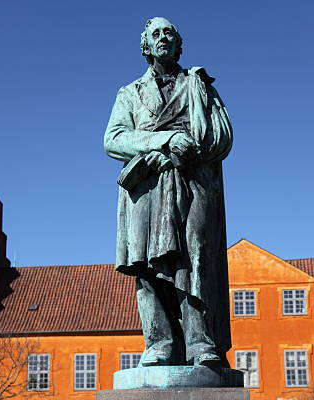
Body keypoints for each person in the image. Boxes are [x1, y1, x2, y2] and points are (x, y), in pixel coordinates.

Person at [104, 17, 233, 367]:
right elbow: (113, 140)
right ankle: (159, 342)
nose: (163, 38)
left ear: (179, 44)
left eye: (169, 33)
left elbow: (223, 135)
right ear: (145, 46)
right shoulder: (129, 93)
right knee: (147, 265)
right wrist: (164, 139)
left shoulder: (200, 86)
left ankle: (199, 341)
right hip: (146, 186)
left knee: (195, 258)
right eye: (156, 34)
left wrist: (190, 149)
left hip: (192, 181)